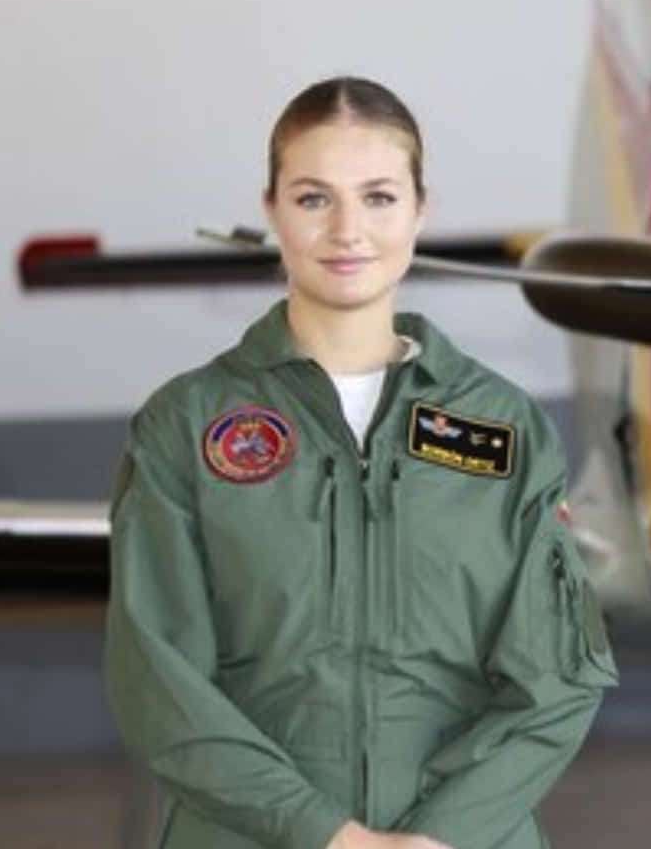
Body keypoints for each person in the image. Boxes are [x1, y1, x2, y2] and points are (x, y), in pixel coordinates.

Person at [105, 77, 618, 849]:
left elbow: (558, 680)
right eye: (314, 198)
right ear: (273, 209)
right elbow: (159, 680)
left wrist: (437, 837)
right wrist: (330, 836)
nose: (349, 230)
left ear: (420, 210)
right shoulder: (186, 426)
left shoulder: (502, 429)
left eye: (378, 197)